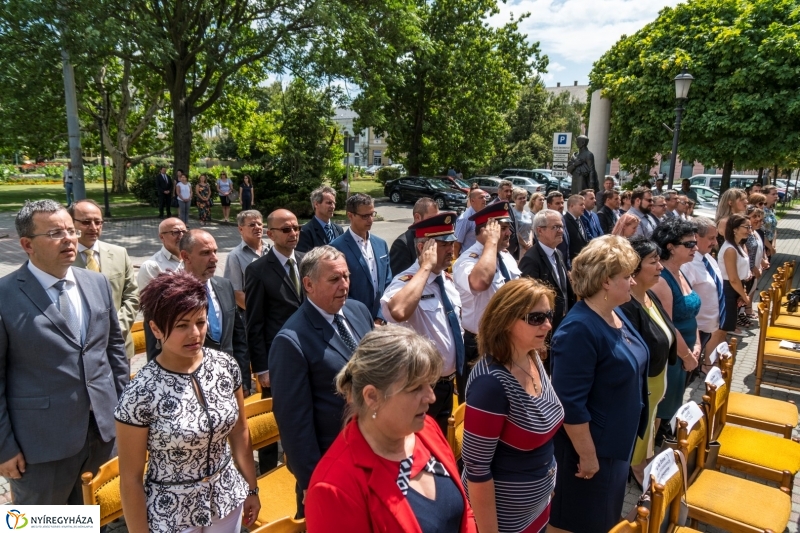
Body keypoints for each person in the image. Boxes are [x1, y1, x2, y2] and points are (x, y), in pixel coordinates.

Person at [0, 200, 128, 504]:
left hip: (103, 435)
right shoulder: (4, 296)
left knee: (95, 516)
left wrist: (125, 414)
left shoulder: (95, 283)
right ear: (27, 244)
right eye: (56, 233)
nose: (70, 238)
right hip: (40, 446)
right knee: (41, 523)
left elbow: (114, 354)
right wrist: (3, 447)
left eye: (71, 230)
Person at [115, 271, 259, 533]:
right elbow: (131, 479)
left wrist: (251, 487)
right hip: (171, 512)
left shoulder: (225, 366)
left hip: (226, 498)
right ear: (156, 328)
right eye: (181, 325)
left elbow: (240, 431)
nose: (195, 334)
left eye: (200, 322)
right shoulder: (140, 393)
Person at [305, 326, 476, 533]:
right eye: (415, 389)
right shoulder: (334, 488)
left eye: (430, 385)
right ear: (372, 397)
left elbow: (463, 512)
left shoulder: (426, 430)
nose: (431, 397)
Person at [548, 236, 648, 533]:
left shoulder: (614, 313)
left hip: (613, 448)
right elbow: (570, 403)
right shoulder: (579, 328)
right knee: (579, 522)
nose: (633, 282)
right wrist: (588, 456)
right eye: (627, 276)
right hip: (588, 457)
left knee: (604, 519)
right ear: (605, 281)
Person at [269, 246, 374, 517]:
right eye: (334, 279)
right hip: (331, 465)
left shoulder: (358, 311)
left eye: (346, 277)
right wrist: (313, 481)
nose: (344, 285)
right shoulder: (291, 341)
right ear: (309, 284)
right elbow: (294, 424)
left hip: (372, 451)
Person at [462, 278, 564, 533]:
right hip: (504, 522)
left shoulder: (530, 355)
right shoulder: (490, 386)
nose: (548, 325)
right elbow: (477, 469)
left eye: (548, 315)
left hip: (538, 508)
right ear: (506, 320)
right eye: (536, 318)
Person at [381, 212, 463, 434]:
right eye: (443, 244)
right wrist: (425, 268)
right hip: (419, 387)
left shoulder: (446, 281)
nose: (451, 249)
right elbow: (398, 310)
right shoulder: (407, 281)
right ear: (422, 249)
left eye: (452, 242)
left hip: (447, 386)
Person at [144, 231, 250, 389]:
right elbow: (155, 349)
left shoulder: (225, 286)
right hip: (185, 388)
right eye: (206, 253)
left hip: (227, 383)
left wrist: (243, 381)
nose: (214, 258)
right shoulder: (165, 295)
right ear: (185, 256)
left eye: (215, 251)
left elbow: (237, 337)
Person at [244, 209, 305, 473]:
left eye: (296, 228)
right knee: (271, 418)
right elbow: (254, 323)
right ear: (270, 234)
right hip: (276, 360)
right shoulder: (258, 270)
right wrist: (262, 368)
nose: (293, 234)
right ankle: (268, 469)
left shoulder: (306, 262)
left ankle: (297, 465)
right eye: (286, 229)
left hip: (307, 355)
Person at [619, 237, 678, 489]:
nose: (660, 267)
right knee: (638, 440)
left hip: (656, 384)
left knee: (648, 438)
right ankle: (636, 472)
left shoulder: (650, 295)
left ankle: (642, 464)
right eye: (653, 262)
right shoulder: (626, 306)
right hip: (642, 389)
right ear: (633, 268)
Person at [452, 202, 520, 402]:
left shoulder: (506, 258)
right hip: (480, 345)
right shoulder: (468, 260)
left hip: (508, 339)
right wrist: (490, 243)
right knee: (480, 403)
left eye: (509, 228)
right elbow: (481, 281)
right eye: (503, 229)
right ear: (487, 231)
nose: (509, 233)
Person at [69, 199, 139, 359]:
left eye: (98, 222)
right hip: (81, 352)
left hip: (119, 347)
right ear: (71, 223)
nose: (93, 227)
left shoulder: (120, 253)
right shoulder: (62, 259)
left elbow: (132, 296)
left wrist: (116, 330)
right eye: (86, 222)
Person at [650, 219, 701, 435]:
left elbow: (691, 315)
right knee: (662, 412)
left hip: (688, 351)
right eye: (689, 244)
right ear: (670, 247)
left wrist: (698, 343)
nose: (695, 248)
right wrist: (687, 355)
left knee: (675, 403)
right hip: (674, 356)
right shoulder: (662, 280)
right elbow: (668, 325)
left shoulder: (682, 271)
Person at [519, 210, 575, 370]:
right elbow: (528, 303)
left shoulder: (557, 254)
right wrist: (538, 338)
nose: (561, 231)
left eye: (561, 227)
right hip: (544, 332)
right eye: (555, 227)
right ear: (540, 230)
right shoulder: (531, 260)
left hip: (562, 327)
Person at [331, 193, 392, 323]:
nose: (370, 220)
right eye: (365, 216)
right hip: (353, 321)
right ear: (350, 216)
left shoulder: (381, 244)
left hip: (381, 321)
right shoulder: (336, 248)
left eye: (372, 214)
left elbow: (388, 283)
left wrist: (380, 317)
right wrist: (364, 320)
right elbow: (338, 290)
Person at [680, 217, 727, 369]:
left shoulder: (707, 258)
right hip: (696, 330)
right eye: (711, 238)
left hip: (708, 328)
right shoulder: (688, 264)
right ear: (696, 236)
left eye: (716, 238)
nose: (715, 242)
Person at [223, 209, 268, 310]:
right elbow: (236, 292)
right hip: (253, 314)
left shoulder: (272, 250)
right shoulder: (235, 256)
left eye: (259, 224)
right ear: (240, 229)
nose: (257, 227)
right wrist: (257, 313)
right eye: (252, 225)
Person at [718, 214, 753, 333]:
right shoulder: (730, 249)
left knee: (728, 325)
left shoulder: (738, 246)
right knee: (723, 328)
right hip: (728, 289)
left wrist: (742, 292)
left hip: (736, 287)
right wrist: (744, 296)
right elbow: (733, 278)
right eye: (746, 227)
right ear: (735, 229)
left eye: (750, 227)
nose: (750, 231)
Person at [390, 197, 439, 273]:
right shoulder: (402, 244)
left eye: (437, 219)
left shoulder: (435, 237)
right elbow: (400, 279)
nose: (435, 223)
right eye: (431, 219)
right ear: (417, 217)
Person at [137, 217, 186, 290]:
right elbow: (147, 299)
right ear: (161, 237)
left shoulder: (195, 258)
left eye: (184, 232)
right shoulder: (151, 267)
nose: (181, 235)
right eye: (176, 232)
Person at [297, 185, 344, 253]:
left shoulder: (339, 229)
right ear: (316, 204)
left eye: (334, 203)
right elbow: (304, 260)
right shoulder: (305, 232)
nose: (333, 206)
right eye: (329, 203)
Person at [744, 206, 769, 319]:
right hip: (749, 270)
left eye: (760, 218)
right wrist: (753, 268)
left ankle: (743, 312)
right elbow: (747, 254)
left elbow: (759, 249)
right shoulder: (747, 235)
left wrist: (763, 260)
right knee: (745, 292)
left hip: (755, 269)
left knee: (750, 290)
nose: (758, 220)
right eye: (754, 217)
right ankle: (740, 315)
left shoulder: (756, 233)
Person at [455, 189, 489, 256]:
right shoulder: (465, 219)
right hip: (468, 259)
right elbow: (456, 244)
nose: (484, 199)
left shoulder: (484, 214)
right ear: (472, 200)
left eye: (485, 197)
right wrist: (455, 263)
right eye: (481, 197)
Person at [492, 180, 519, 258]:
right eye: (506, 191)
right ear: (499, 192)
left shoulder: (508, 205)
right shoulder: (493, 207)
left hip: (511, 248)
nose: (509, 194)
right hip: (500, 248)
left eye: (511, 191)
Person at [563, 194, 589, 262]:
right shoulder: (565, 221)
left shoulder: (580, 219)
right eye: (581, 205)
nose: (584, 207)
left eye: (584, 205)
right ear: (572, 206)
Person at [512, 187, 533, 260]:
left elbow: (531, 229)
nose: (522, 200)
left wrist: (530, 241)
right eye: (520, 198)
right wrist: (524, 244)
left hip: (528, 246)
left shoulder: (527, 213)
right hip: (519, 247)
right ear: (514, 199)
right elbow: (515, 231)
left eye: (524, 198)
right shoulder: (513, 213)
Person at [762, 185, 779, 258]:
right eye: (773, 194)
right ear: (765, 195)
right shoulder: (761, 211)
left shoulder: (772, 210)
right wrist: (769, 247)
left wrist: (773, 245)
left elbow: (774, 228)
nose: (776, 196)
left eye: (776, 194)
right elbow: (760, 232)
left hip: (770, 244)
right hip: (762, 244)